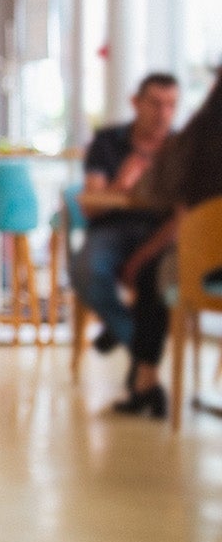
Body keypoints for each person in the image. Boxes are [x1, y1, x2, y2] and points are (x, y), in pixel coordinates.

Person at [110, 67, 222, 416]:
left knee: (151, 275)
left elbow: (157, 196)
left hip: (202, 271)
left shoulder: (194, 140)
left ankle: (145, 383)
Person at [68, 73, 180, 363]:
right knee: (87, 270)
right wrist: (121, 184)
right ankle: (136, 340)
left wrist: (141, 257)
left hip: (162, 234)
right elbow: (91, 206)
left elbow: (184, 214)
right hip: (112, 230)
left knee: (159, 277)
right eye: (155, 104)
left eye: (170, 105)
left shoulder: (179, 148)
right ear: (136, 103)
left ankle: (134, 355)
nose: (163, 114)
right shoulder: (108, 141)